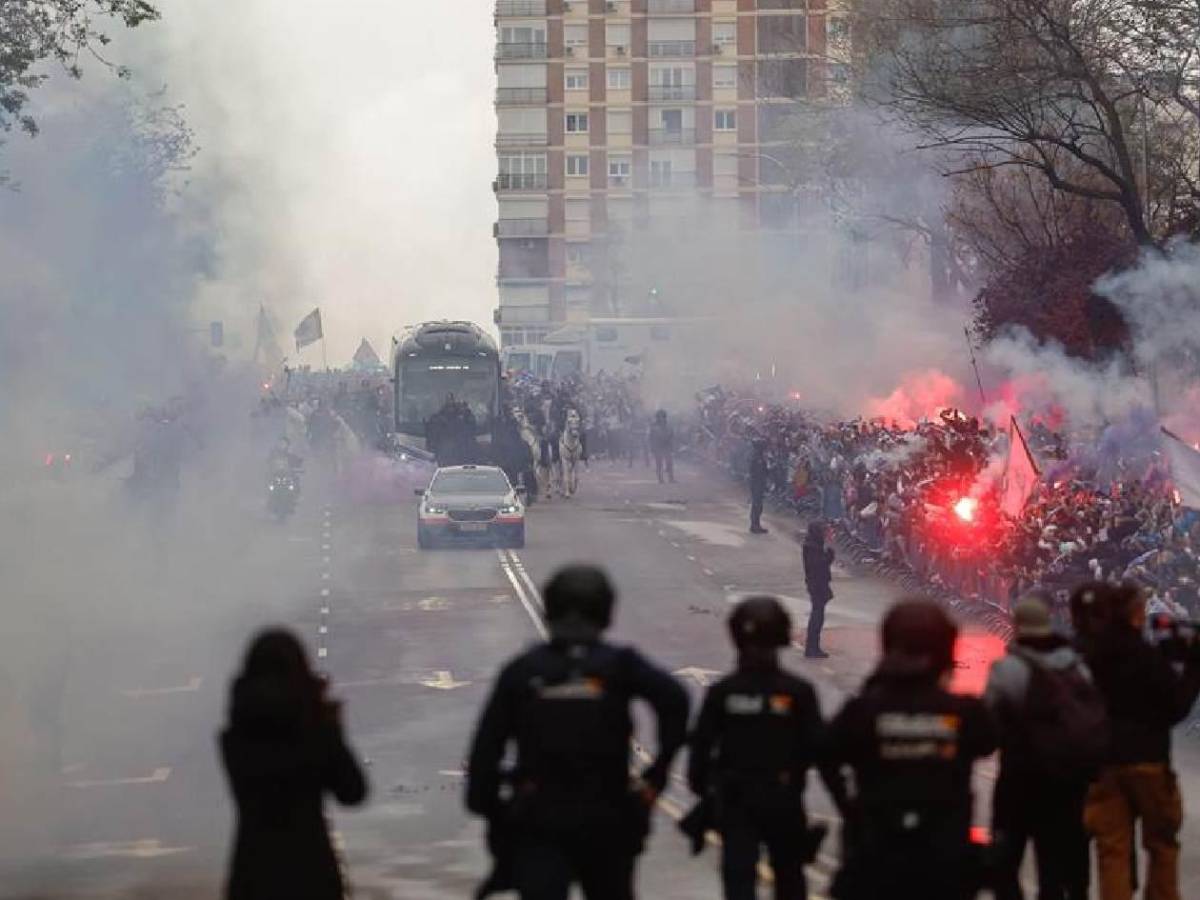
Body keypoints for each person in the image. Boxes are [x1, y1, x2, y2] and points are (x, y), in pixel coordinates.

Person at [466, 565, 689, 900]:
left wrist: (498, 810)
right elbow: (677, 701)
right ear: (606, 612)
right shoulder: (621, 664)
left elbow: (486, 752)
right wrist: (656, 776)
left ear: (549, 610)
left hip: (541, 817)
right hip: (608, 815)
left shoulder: (523, 670)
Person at [825, 600, 997, 900]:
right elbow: (989, 741)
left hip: (876, 853)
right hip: (943, 861)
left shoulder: (865, 710)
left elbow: (826, 754)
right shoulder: (965, 713)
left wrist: (847, 805)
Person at [688, 596, 827, 900]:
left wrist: (709, 796)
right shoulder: (798, 692)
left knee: (739, 882)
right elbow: (822, 751)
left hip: (737, 803)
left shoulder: (722, 694)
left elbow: (698, 758)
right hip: (784, 799)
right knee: (790, 880)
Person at [219, 629, 368, 900]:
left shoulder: (234, 739)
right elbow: (353, 792)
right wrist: (330, 727)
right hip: (312, 874)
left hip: (253, 875)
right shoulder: (315, 734)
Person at [1077, 582, 1200, 900]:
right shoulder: (1147, 658)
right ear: (1136, 613)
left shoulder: (1092, 655)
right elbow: (1175, 708)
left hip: (1105, 762)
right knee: (1161, 844)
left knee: (1112, 849)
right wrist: (1192, 670)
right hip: (1148, 762)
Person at [984, 593, 1105, 900]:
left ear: (1016, 625)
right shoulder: (1076, 667)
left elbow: (987, 730)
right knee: (1053, 865)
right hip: (1066, 781)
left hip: (1018, 779)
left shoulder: (1008, 670)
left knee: (1006, 860)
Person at [801, 522, 834, 659]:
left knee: (818, 614)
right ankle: (812, 647)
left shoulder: (814, 545)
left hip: (817, 583)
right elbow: (819, 565)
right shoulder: (813, 547)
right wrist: (829, 554)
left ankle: (814, 646)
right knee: (817, 616)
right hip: (817, 584)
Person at [649, 409, 676, 484]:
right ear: (657, 417)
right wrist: (652, 449)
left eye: (663, 417)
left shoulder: (668, 426)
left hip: (666, 446)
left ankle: (671, 478)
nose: (661, 418)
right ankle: (660, 479)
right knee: (659, 464)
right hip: (658, 447)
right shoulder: (653, 427)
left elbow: (672, 436)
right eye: (660, 417)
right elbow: (650, 438)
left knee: (669, 463)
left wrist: (672, 447)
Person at [749, 438, 769, 535]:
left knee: (758, 505)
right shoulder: (757, 458)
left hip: (759, 483)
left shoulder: (759, 456)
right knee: (756, 505)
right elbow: (757, 472)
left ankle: (756, 524)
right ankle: (754, 525)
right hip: (757, 483)